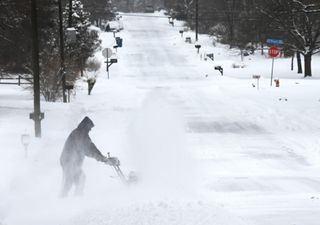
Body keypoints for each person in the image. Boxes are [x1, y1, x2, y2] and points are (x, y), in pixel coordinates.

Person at [60, 116, 119, 197]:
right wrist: (103, 159)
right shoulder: (78, 134)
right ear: (85, 126)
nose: (90, 130)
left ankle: (75, 198)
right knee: (72, 180)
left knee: (79, 178)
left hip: (70, 161)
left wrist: (103, 158)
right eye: (89, 128)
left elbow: (92, 147)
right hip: (68, 160)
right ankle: (64, 199)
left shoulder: (82, 135)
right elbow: (88, 150)